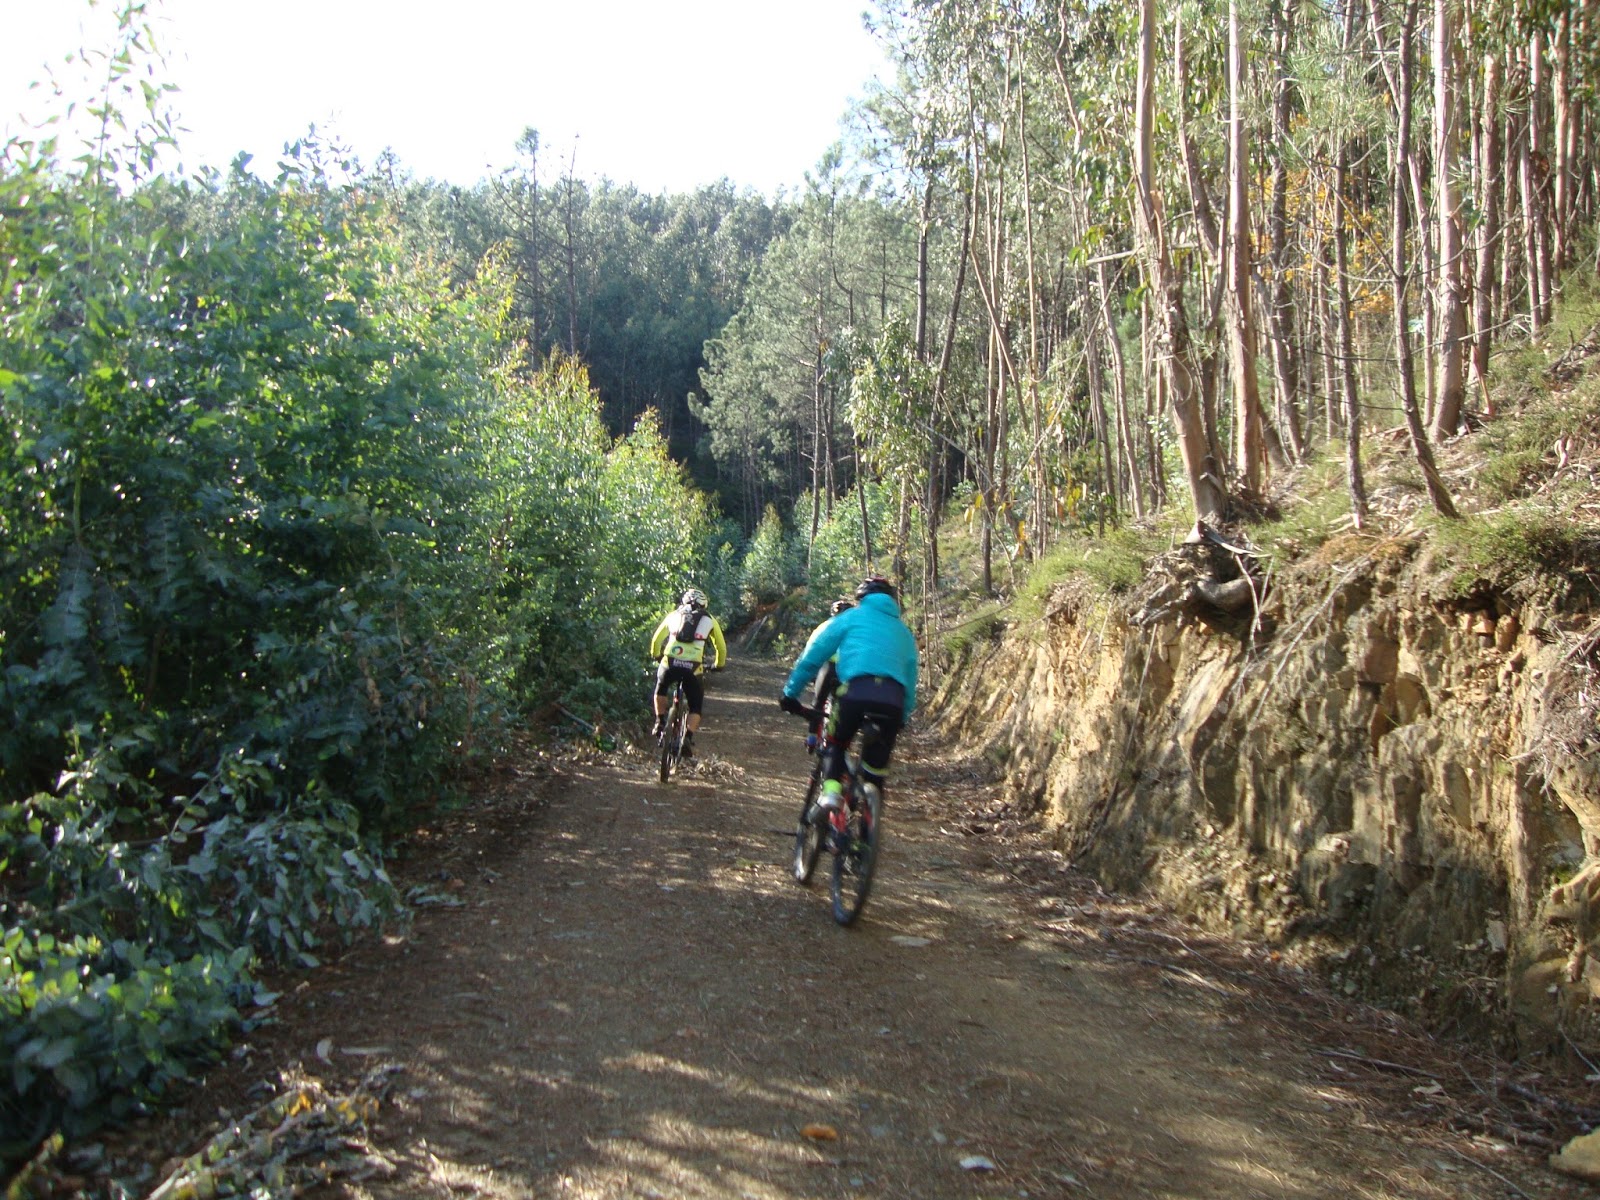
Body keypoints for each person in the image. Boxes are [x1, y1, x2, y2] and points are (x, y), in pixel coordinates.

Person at [780, 576, 918, 821]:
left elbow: (814, 656)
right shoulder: (904, 632)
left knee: (836, 744)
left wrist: (790, 693)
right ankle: (868, 828)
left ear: (862, 598)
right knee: (875, 771)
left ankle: (831, 794)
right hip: (893, 701)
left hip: (855, 693)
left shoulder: (850, 617)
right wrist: (903, 716)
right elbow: (910, 677)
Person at [649, 588, 726, 758]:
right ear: (704, 605)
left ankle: (659, 721)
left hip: (670, 662)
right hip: (693, 667)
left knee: (661, 688)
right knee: (695, 705)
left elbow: (656, 640)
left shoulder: (673, 615)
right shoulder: (710, 620)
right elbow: (721, 648)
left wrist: (657, 656)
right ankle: (687, 738)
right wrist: (718, 665)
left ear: (683, 602)